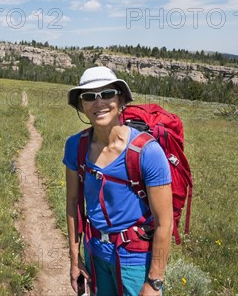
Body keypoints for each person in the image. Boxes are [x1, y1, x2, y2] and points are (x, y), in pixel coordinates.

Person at [63, 66, 173, 296]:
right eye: (89, 97)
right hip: (94, 252)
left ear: (121, 99)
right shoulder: (76, 146)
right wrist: (75, 260)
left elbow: (165, 223)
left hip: (135, 258)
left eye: (107, 94)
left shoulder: (147, 152)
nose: (98, 102)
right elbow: (73, 204)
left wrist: (154, 282)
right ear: (81, 105)